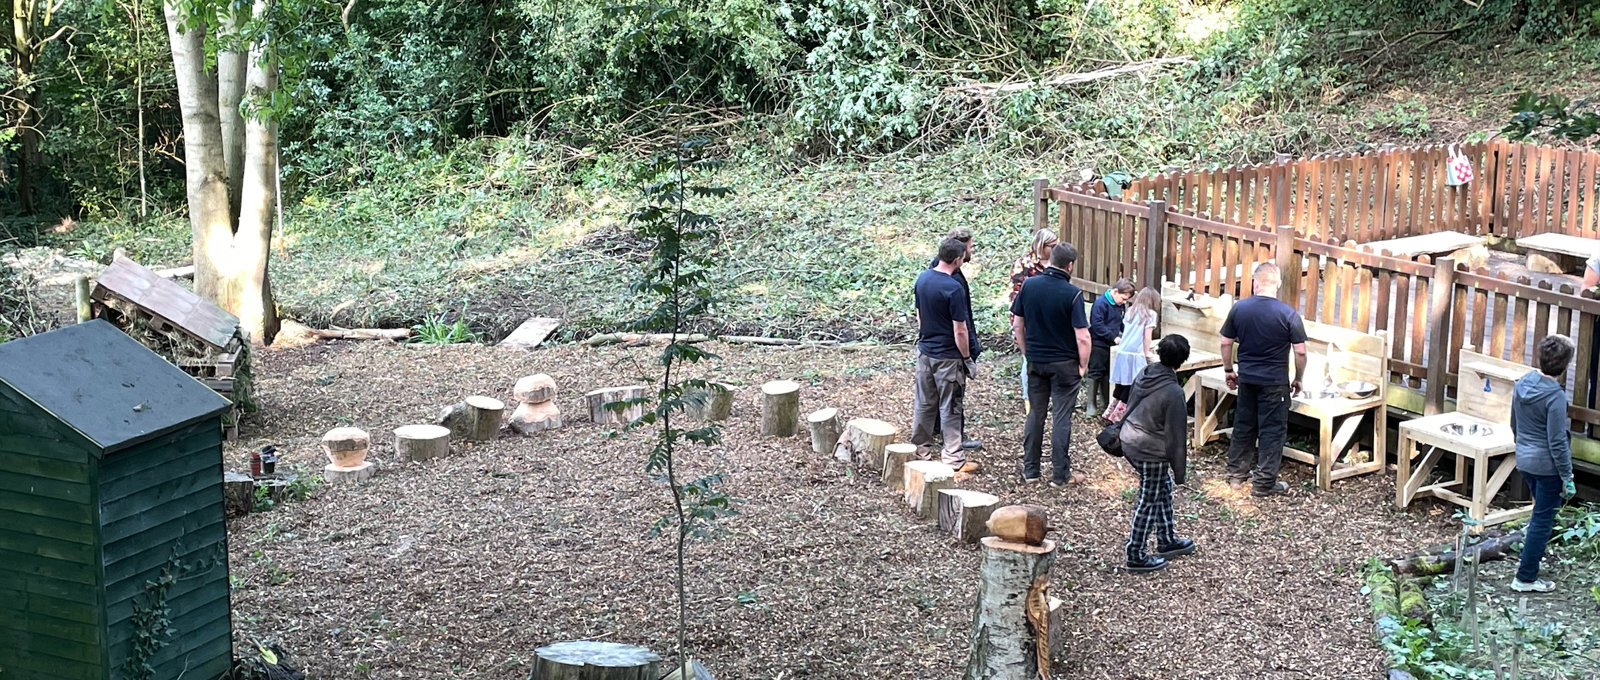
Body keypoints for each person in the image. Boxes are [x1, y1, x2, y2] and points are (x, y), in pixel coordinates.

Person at [1219, 262, 1308, 497]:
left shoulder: (1240, 308)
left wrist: (1229, 370)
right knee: (1272, 430)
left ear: (1255, 282)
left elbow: (1226, 342)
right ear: (1277, 284)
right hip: (1275, 382)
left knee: (1244, 425)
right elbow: (1300, 351)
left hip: (1247, 378)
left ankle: (1237, 476)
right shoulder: (1288, 314)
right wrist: (1298, 378)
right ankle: (1264, 483)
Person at [1011, 242, 1091, 485]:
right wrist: (1083, 366)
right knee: (1061, 416)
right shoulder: (1072, 294)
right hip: (1065, 365)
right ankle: (1059, 474)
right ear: (1069, 266)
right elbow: (1083, 336)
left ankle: (1031, 471)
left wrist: (1027, 353)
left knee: (1036, 414)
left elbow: (1017, 325)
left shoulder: (1029, 285)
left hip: (1036, 361)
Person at [1120, 334, 1198, 573]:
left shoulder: (1147, 372)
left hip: (1129, 438)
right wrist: (1181, 471)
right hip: (1148, 449)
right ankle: (1135, 553)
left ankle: (1167, 539)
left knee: (1162, 487)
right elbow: (1176, 437)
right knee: (1149, 499)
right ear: (1182, 360)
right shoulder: (1174, 391)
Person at [1509, 334, 1579, 593]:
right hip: (1547, 467)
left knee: (1538, 514)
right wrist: (1567, 476)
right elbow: (1557, 441)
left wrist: (1522, 448)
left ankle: (1529, 558)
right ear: (1566, 366)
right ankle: (1526, 577)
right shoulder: (1555, 397)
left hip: (1524, 460)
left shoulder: (1523, 383)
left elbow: (1514, 423)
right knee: (1542, 520)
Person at [912, 237, 981, 474]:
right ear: (957, 259)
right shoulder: (954, 288)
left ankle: (921, 451)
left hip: (925, 352)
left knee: (924, 402)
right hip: (948, 357)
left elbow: (920, 315)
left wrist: (925, 338)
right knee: (951, 406)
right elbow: (960, 329)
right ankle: (953, 458)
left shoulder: (923, 278)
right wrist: (966, 357)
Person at [929, 227, 983, 451]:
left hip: (939, 346)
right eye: (970, 246)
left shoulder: (938, 272)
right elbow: (959, 323)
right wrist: (967, 353)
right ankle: (953, 439)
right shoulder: (950, 278)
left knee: (938, 394)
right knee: (952, 395)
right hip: (950, 349)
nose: (972, 250)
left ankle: (936, 430)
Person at [1009, 229, 1058, 411]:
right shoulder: (1023, 264)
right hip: (1029, 321)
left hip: (1051, 322)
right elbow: (1015, 297)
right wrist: (1016, 327)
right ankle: (1029, 399)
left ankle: (1047, 397)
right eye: (1052, 246)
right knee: (1028, 359)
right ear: (1041, 245)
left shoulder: (1056, 263)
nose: (1054, 249)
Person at [1106, 287, 1161, 421]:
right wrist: (1146, 352)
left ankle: (1110, 412)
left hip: (1122, 350)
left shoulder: (1130, 311)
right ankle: (1118, 417)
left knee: (1121, 383)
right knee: (1132, 385)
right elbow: (1147, 336)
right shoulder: (1151, 314)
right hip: (1135, 354)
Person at [1086, 279, 1136, 417]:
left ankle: (1105, 401)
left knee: (1107, 373)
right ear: (1115, 292)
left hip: (1111, 345)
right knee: (1096, 371)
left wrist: (1126, 333)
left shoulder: (1119, 305)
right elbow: (1097, 325)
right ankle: (1091, 404)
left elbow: (1120, 322)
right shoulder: (1100, 304)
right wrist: (1113, 337)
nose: (1124, 302)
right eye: (1123, 298)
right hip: (1098, 344)